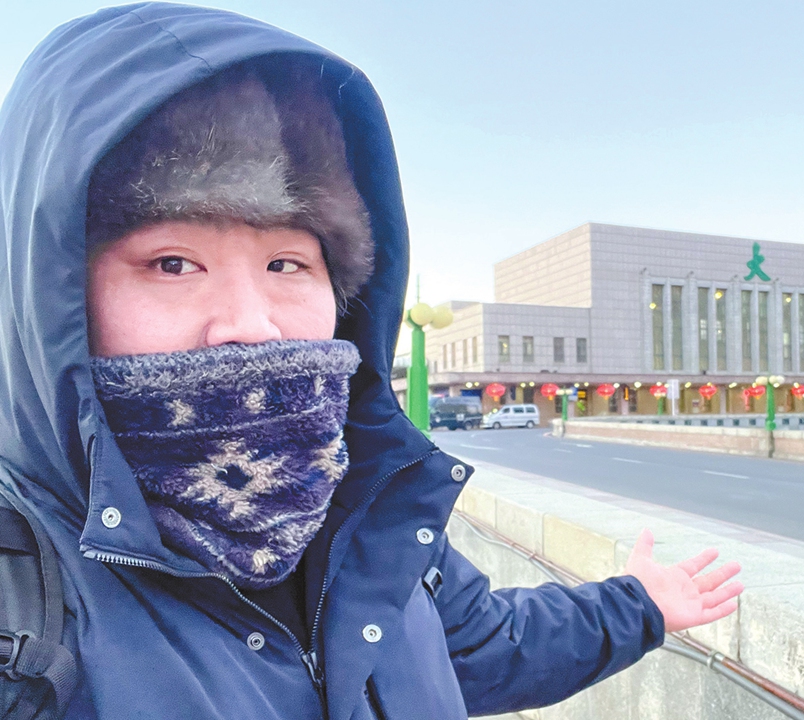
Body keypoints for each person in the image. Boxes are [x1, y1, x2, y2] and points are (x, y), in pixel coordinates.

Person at [0, 4, 743, 719]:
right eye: (172, 262)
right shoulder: (22, 593)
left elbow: (483, 646)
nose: (252, 326)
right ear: (53, 291)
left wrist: (638, 604)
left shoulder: (357, 504)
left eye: (288, 264)